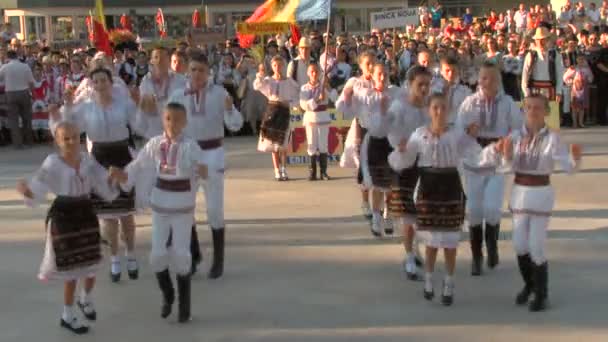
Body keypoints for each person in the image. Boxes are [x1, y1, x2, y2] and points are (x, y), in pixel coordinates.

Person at [388, 94, 492, 306]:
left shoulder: (456, 135)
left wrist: (496, 152)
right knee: (432, 242)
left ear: (449, 111)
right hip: (428, 188)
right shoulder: (419, 134)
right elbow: (405, 160)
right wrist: (401, 151)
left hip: (450, 187)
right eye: (435, 107)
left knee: (450, 242)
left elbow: (476, 155)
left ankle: (449, 282)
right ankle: (428, 280)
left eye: (443, 108)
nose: (439, 111)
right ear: (429, 110)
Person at [16, 121, 119, 334]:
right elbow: (38, 187)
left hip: (86, 213)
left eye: (75, 137)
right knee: (71, 271)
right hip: (63, 217)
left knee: (91, 264)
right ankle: (67, 314)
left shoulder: (87, 160)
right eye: (66, 138)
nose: (72, 142)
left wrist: (113, 178)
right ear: (57, 141)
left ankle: (86, 299)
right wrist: (27, 192)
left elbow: (103, 182)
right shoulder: (52, 162)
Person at [110, 102, 209, 323]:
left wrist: (202, 170)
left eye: (177, 119)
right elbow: (138, 164)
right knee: (157, 255)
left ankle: (185, 305)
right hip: (161, 205)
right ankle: (168, 293)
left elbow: (200, 166)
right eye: (168, 119)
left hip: (182, 207)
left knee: (182, 255)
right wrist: (124, 176)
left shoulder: (191, 146)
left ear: (184, 122)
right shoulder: (155, 144)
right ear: (163, 120)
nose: (172, 124)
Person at [490, 94, 582, 312]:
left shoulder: (553, 138)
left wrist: (575, 159)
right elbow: (503, 169)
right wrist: (507, 157)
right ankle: (529, 285)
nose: (532, 111)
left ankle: (542, 294)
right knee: (519, 245)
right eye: (528, 107)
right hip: (521, 193)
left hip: (541, 194)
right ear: (523, 110)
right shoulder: (514, 136)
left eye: (537, 108)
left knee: (536, 246)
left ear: (546, 112)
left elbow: (568, 168)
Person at [50, 67, 140, 283]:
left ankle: (131, 254)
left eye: (103, 80)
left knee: (126, 213)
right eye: (96, 81)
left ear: (111, 83)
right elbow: (69, 128)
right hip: (99, 158)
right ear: (91, 85)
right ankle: (115, 258)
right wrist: (67, 106)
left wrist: (138, 104)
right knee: (108, 216)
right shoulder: (85, 108)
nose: (100, 85)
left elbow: (139, 124)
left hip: (122, 157)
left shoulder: (123, 104)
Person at [168, 53, 243, 279]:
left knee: (213, 209)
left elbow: (236, 125)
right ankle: (193, 254)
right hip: (187, 154)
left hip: (212, 153)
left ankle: (218, 259)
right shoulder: (178, 95)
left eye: (201, 70)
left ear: (208, 72)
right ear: (187, 71)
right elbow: (169, 126)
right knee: (185, 207)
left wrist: (230, 109)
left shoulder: (219, 93)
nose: (197, 74)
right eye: (193, 70)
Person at [457, 62, 522, 276]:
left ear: (499, 81)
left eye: (492, 78)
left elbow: (519, 129)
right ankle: (477, 256)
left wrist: (508, 140)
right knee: (474, 209)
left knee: (493, 208)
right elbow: (458, 130)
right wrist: (468, 131)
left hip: (497, 159)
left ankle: (492, 244)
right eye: (483, 78)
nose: (487, 82)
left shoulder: (508, 103)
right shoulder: (469, 102)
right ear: (478, 80)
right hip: (474, 158)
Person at [336, 51, 376, 220]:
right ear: (361, 65)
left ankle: (380, 206)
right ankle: (365, 201)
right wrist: (346, 97)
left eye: (374, 63)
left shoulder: (380, 80)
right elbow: (342, 105)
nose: (371, 67)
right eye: (368, 64)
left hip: (379, 129)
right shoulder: (354, 82)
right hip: (361, 127)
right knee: (364, 166)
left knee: (379, 167)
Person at [254, 56, 299, 181]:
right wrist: (260, 74)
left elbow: (296, 95)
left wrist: (292, 104)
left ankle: (284, 169)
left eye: (280, 65)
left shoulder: (289, 81)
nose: (277, 68)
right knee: (273, 143)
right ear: (272, 66)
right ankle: (277, 170)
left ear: (283, 66)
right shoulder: (268, 80)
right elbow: (257, 86)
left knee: (283, 143)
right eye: (275, 65)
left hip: (284, 110)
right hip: (272, 111)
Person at [300, 63, 337, 181]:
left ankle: (323, 172)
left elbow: (335, 98)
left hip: (323, 118)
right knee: (311, 144)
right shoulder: (304, 88)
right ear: (308, 73)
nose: (314, 74)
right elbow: (304, 105)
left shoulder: (324, 86)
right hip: (311, 118)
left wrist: (328, 86)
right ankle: (312, 172)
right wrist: (317, 99)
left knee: (323, 145)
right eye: (312, 71)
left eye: (316, 71)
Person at [0, 49, 35, 149]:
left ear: (8, 57)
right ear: (17, 56)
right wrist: (33, 94)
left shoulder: (5, 67)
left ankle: (17, 143)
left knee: (14, 120)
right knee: (26, 118)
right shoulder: (25, 66)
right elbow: (31, 82)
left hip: (10, 94)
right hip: (24, 92)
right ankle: (29, 141)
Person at [521, 27, 565, 104]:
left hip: (550, 89)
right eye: (538, 40)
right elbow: (525, 75)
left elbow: (559, 74)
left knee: (550, 114)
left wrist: (558, 92)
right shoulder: (531, 55)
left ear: (548, 39)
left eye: (543, 39)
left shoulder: (555, 55)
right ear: (535, 41)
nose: (540, 42)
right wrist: (526, 92)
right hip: (534, 90)